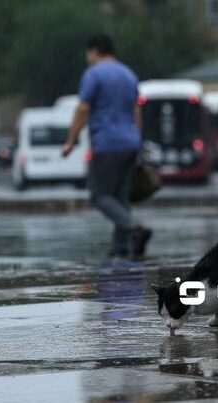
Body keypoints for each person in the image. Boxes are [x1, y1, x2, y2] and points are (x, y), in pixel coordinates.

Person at [62, 34, 151, 258]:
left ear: (94, 51)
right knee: (120, 197)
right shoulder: (128, 74)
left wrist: (71, 140)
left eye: (87, 53)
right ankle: (120, 249)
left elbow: (83, 109)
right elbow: (136, 110)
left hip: (107, 143)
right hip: (130, 141)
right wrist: (137, 140)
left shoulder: (94, 74)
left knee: (99, 194)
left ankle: (134, 228)